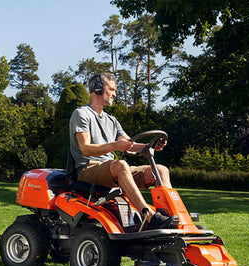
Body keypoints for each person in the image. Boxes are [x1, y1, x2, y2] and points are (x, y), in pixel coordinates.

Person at [69, 73, 175, 231]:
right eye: (111, 89)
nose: (114, 94)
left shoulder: (111, 120)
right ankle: (148, 216)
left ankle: (169, 216)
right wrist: (114, 146)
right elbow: (85, 148)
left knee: (160, 170)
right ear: (97, 89)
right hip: (88, 168)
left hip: (110, 169)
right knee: (121, 165)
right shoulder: (82, 114)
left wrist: (150, 146)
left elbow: (129, 145)